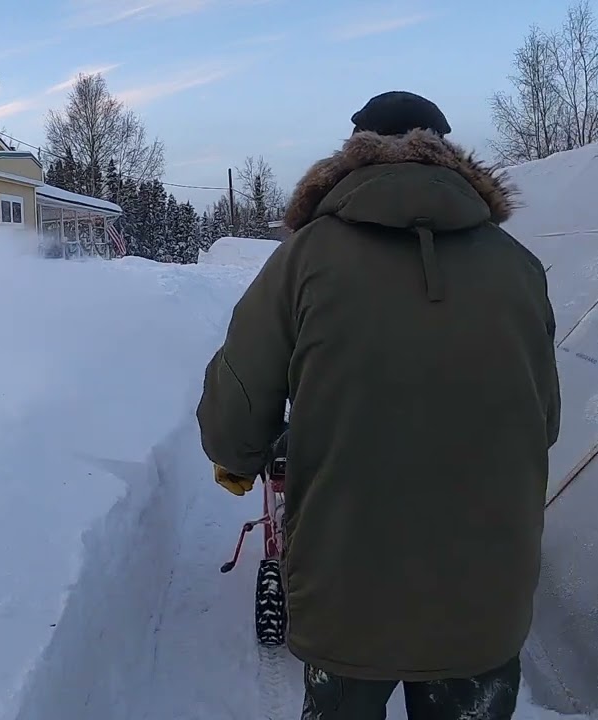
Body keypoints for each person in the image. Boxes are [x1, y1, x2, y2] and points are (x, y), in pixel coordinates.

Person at [196, 90, 561, 720]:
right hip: (484, 600)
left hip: (347, 600)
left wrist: (239, 459)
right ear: (448, 153)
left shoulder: (304, 259)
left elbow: (235, 418)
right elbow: (544, 423)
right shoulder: (519, 268)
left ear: (356, 152)